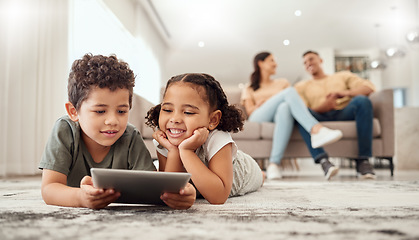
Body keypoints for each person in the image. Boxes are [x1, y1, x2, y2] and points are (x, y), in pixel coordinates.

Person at [39, 53, 196, 210]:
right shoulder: (64, 130)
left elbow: (154, 189)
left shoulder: (131, 136)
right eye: (100, 111)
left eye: (121, 112)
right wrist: (81, 198)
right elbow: (49, 189)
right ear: (73, 112)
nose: (113, 121)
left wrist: (181, 194)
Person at [145, 73, 264, 204]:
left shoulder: (217, 138)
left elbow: (218, 197)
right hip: (200, 180)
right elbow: (168, 191)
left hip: (245, 172)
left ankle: (263, 175)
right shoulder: (164, 138)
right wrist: (173, 151)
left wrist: (186, 151)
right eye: (167, 110)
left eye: (188, 112)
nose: (174, 119)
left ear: (212, 119)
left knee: (259, 177)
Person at [241, 52, 343, 180]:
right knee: (289, 92)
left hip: (280, 117)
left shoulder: (282, 82)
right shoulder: (249, 87)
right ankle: (316, 129)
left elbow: (293, 104)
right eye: (271, 60)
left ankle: (274, 164)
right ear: (261, 63)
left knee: (285, 107)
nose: (275, 64)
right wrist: (264, 103)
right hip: (259, 116)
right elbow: (250, 112)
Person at [295, 50, 376, 179]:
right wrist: (323, 107)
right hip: (318, 117)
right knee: (299, 116)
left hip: (344, 112)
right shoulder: (301, 86)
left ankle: (363, 160)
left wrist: (342, 93)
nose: (308, 63)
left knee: (363, 101)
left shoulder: (342, 76)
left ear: (320, 60)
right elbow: (302, 111)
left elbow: (368, 88)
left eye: (311, 59)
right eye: (305, 63)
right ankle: (324, 161)